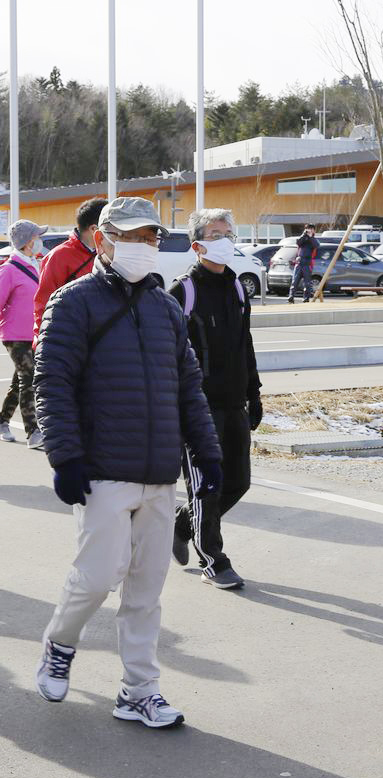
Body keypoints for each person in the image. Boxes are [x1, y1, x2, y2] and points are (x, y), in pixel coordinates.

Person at [32, 196, 222, 729]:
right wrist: (64, 456)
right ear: (103, 240)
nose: (144, 246)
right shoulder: (73, 302)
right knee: (96, 578)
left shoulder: (165, 309)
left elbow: (188, 387)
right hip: (100, 470)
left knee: (146, 589)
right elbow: (52, 384)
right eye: (132, 237)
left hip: (159, 474)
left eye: (151, 237)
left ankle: (139, 691)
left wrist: (206, 455)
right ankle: (59, 644)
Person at [167, 208, 263, 590]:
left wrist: (253, 393)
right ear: (197, 244)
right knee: (207, 484)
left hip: (233, 402)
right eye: (214, 233)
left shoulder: (239, 289)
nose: (223, 240)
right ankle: (214, 560)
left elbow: (246, 344)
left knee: (238, 482)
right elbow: (167, 354)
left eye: (228, 233)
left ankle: (180, 523)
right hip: (196, 407)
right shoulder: (182, 292)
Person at [0, 219, 48, 448]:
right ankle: (33, 432)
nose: (40, 240)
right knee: (29, 378)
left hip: (33, 334)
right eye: (37, 236)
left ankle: (2, 421)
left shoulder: (34, 264)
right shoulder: (9, 269)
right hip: (14, 335)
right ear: (28, 241)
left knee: (20, 381)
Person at [34, 196, 105, 338]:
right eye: (109, 227)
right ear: (94, 229)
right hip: (67, 339)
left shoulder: (109, 253)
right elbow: (43, 305)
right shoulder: (58, 256)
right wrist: (45, 341)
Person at [289, 223, 318, 303]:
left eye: (312, 229)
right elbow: (298, 242)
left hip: (307, 263)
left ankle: (306, 298)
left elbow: (316, 245)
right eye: (309, 229)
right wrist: (304, 234)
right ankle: (291, 296)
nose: (310, 230)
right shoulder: (303, 238)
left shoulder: (313, 239)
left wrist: (311, 236)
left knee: (307, 283)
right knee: (294, 281)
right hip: (299, 262)